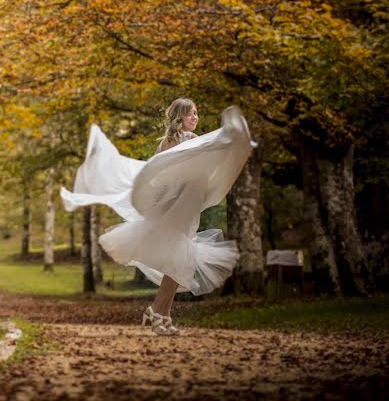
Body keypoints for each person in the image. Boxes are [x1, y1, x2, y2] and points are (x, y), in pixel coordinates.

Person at [60, 99, 255, 335]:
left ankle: (161, 314)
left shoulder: (180, 142)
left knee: (178, 263)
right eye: (191, 114)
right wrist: (232, 136)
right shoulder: (181, 142)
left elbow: (202, 157)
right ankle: (158, 312)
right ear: (179, 117)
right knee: (179, 262)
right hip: (176, 210)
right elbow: (162, 174)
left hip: (185, 209)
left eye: (197, 113)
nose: (196, 118)